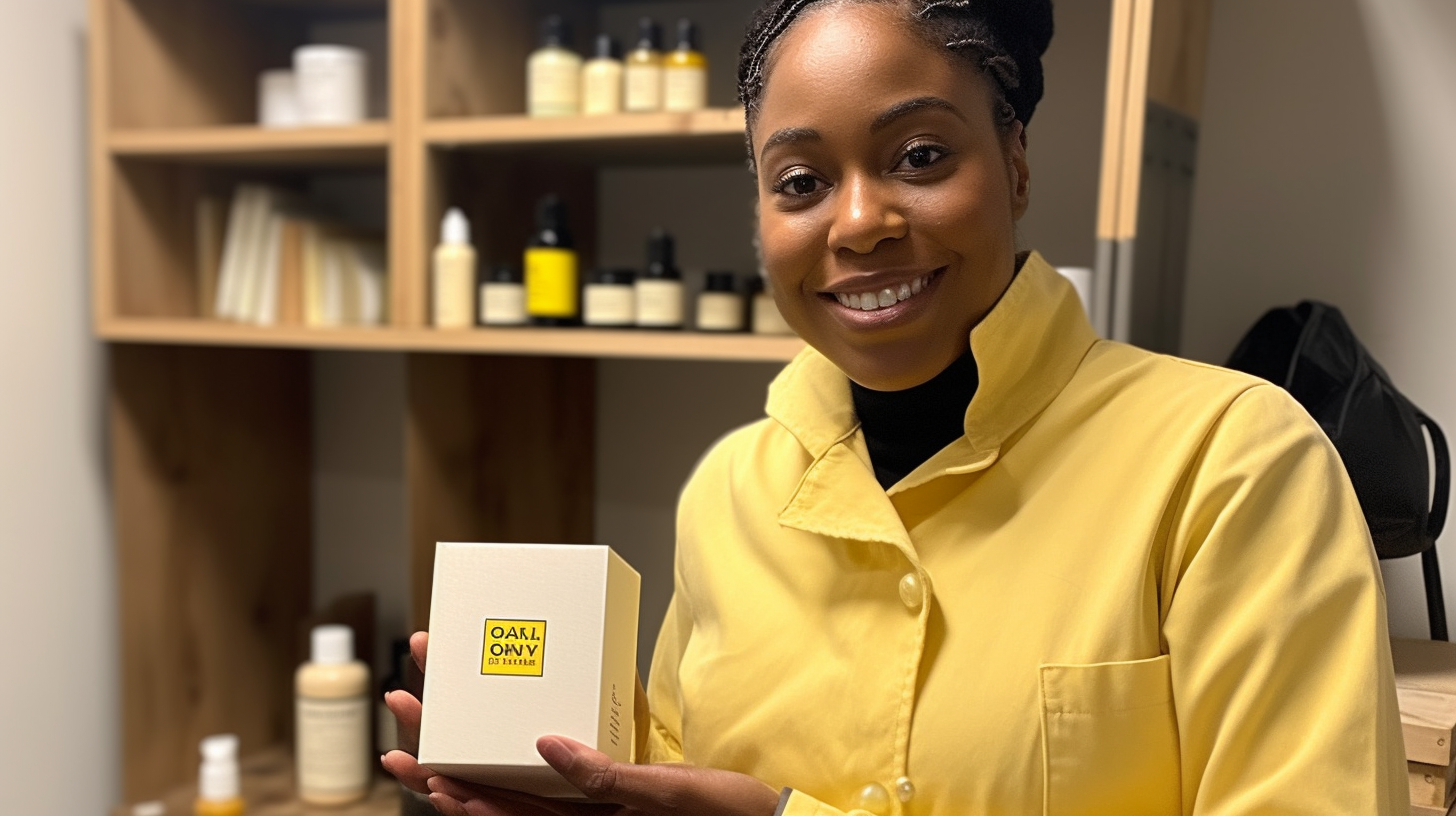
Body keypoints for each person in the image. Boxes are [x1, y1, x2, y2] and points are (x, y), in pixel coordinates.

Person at [384, 1, 1410, 814]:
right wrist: (591, 792)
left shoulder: (1233, 466)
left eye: (919, 156)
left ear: (1013, 160)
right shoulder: (727, 493)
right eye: (799, 181)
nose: (860, 222)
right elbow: (680, 774)